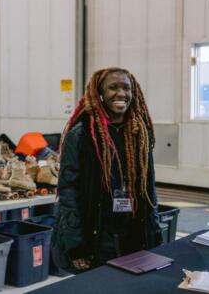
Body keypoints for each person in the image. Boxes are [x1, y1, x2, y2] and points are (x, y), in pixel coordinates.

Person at [52, 67, 161, 273]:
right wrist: (76, 246)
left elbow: (150, 189)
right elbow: (68, 192)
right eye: (113, 87)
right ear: (100, 94)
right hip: (97, 237)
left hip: (133, 233)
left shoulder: (139, 134)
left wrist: (154, 234)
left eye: (126, 88)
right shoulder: (81, 135)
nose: (121, 93)